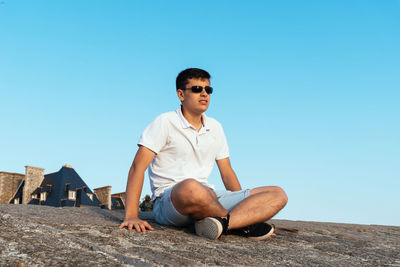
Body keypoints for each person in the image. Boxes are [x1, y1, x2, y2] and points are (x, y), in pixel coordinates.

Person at [119, 68, 288, 240]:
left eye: (208, 90)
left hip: (208, 197)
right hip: (170, 200)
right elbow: (137, 167)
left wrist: (242, 203)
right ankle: (242, 225)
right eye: (197, 89)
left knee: (278, 194)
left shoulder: (215, 127)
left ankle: (223, 224)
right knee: (191, 187)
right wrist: (132, 215)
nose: (204, 94)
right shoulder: (165, 121)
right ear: (181, 94)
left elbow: (227, 171)